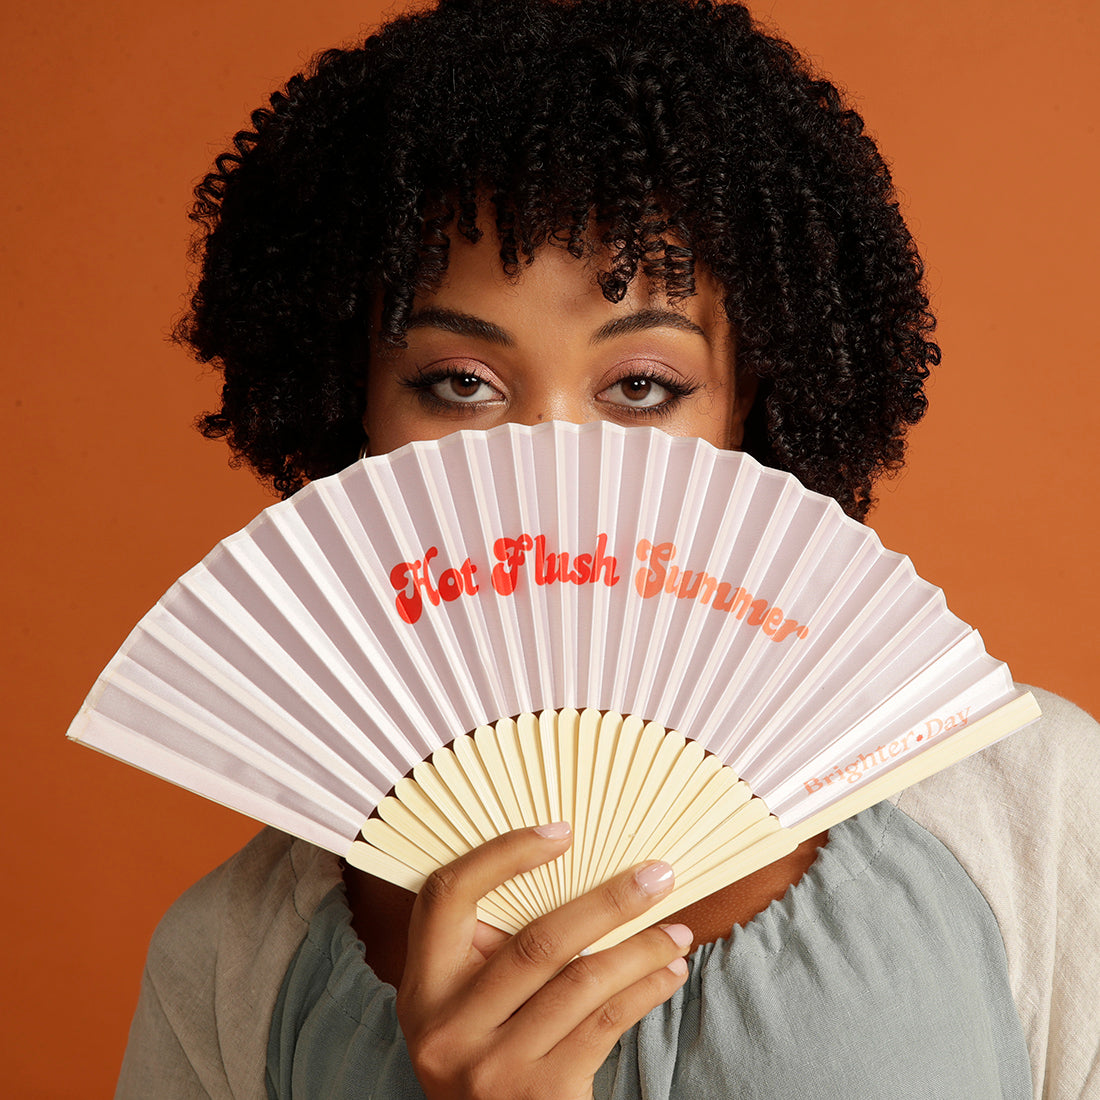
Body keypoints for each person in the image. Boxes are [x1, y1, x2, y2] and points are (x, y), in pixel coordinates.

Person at [115, 1, 1099, 1097]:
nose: (548, 469)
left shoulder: (1035, 811)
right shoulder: (229, 958)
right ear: (356, 414)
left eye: (639, 386)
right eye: (458, 383)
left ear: (749, 409)